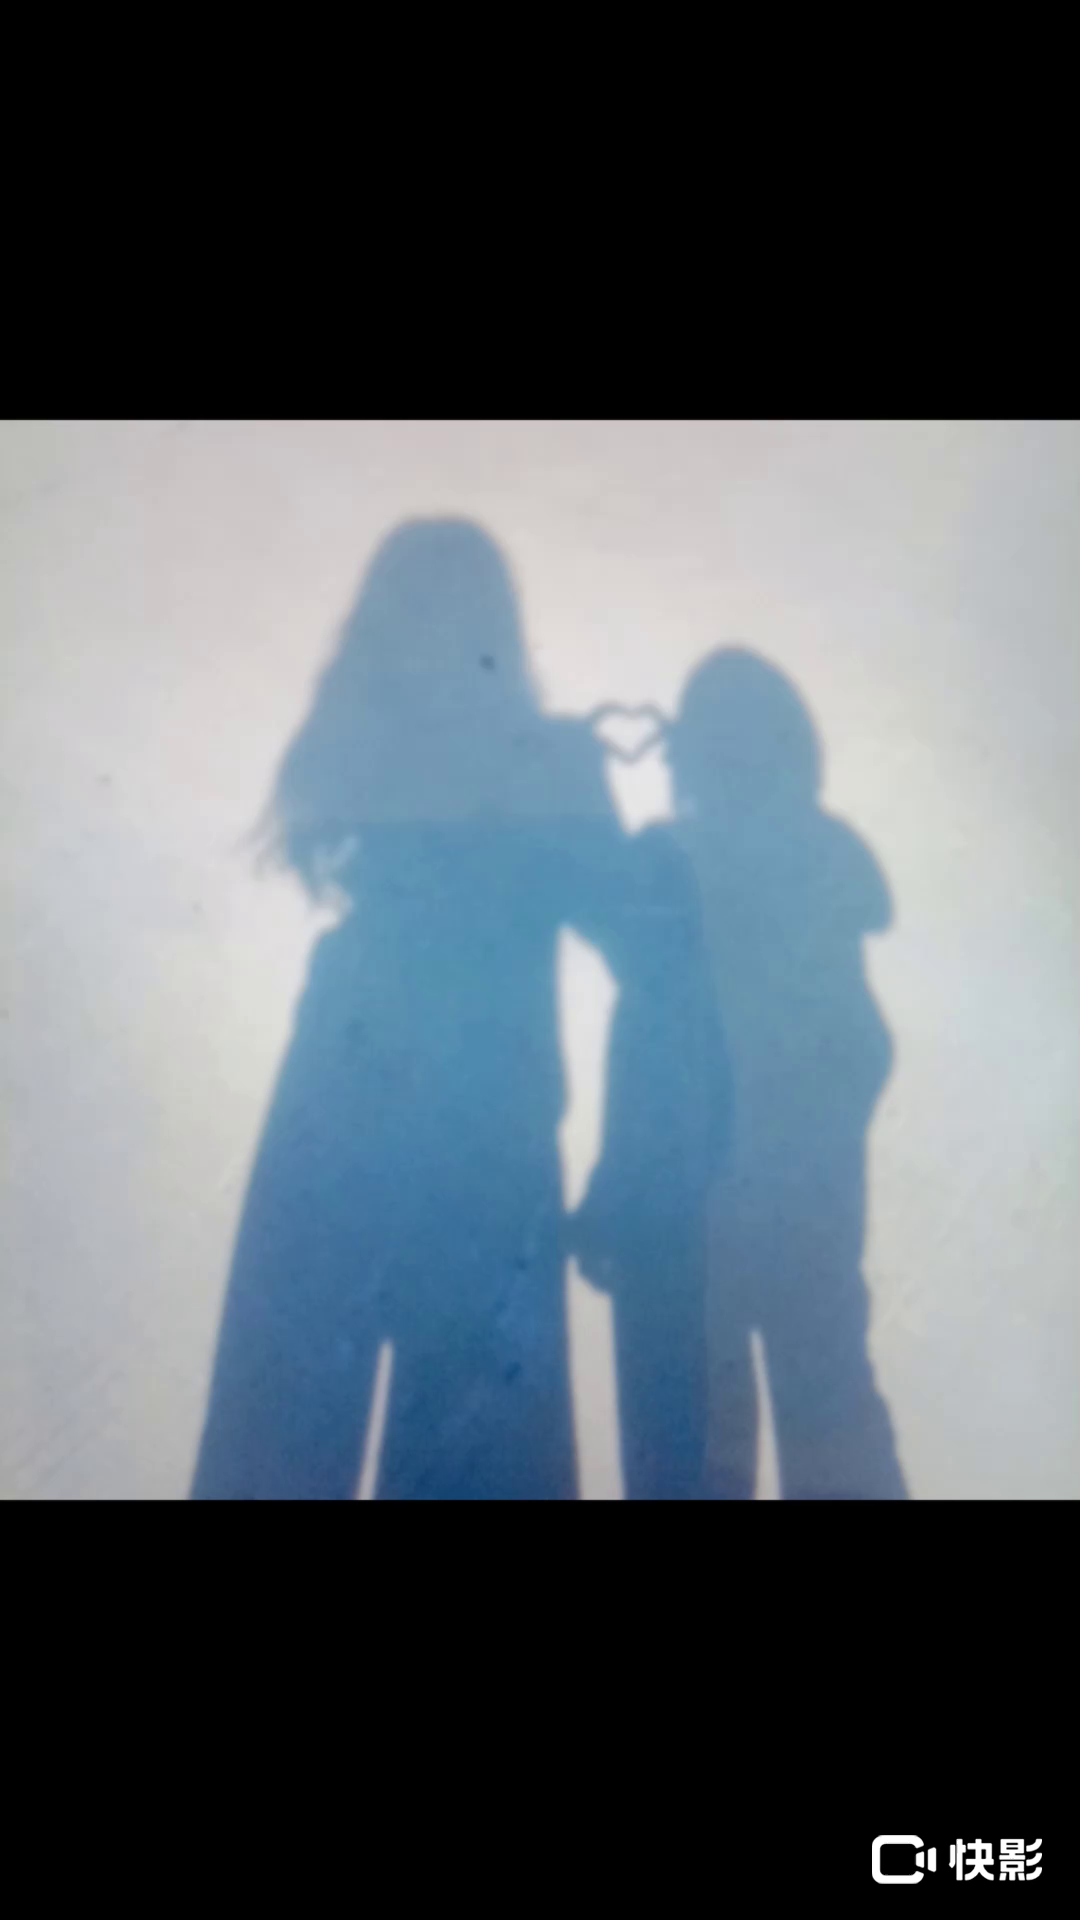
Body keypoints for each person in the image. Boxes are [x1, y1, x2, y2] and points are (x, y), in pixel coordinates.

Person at [193, 519, 638, 1499]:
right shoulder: (545, 762)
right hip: (490, 1118)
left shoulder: (360, 747)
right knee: (484, 1453)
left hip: (342, 1087)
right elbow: (636, 932)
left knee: (275, 1433)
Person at [575, 649, 907, 1498]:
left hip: (686, 1227)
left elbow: (641, 1034)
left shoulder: (669, 865)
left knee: (690, 1458)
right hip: (807, 1214)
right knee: (834, 1424)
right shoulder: (824, 878)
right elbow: (863, 1051)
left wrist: (577, 783)